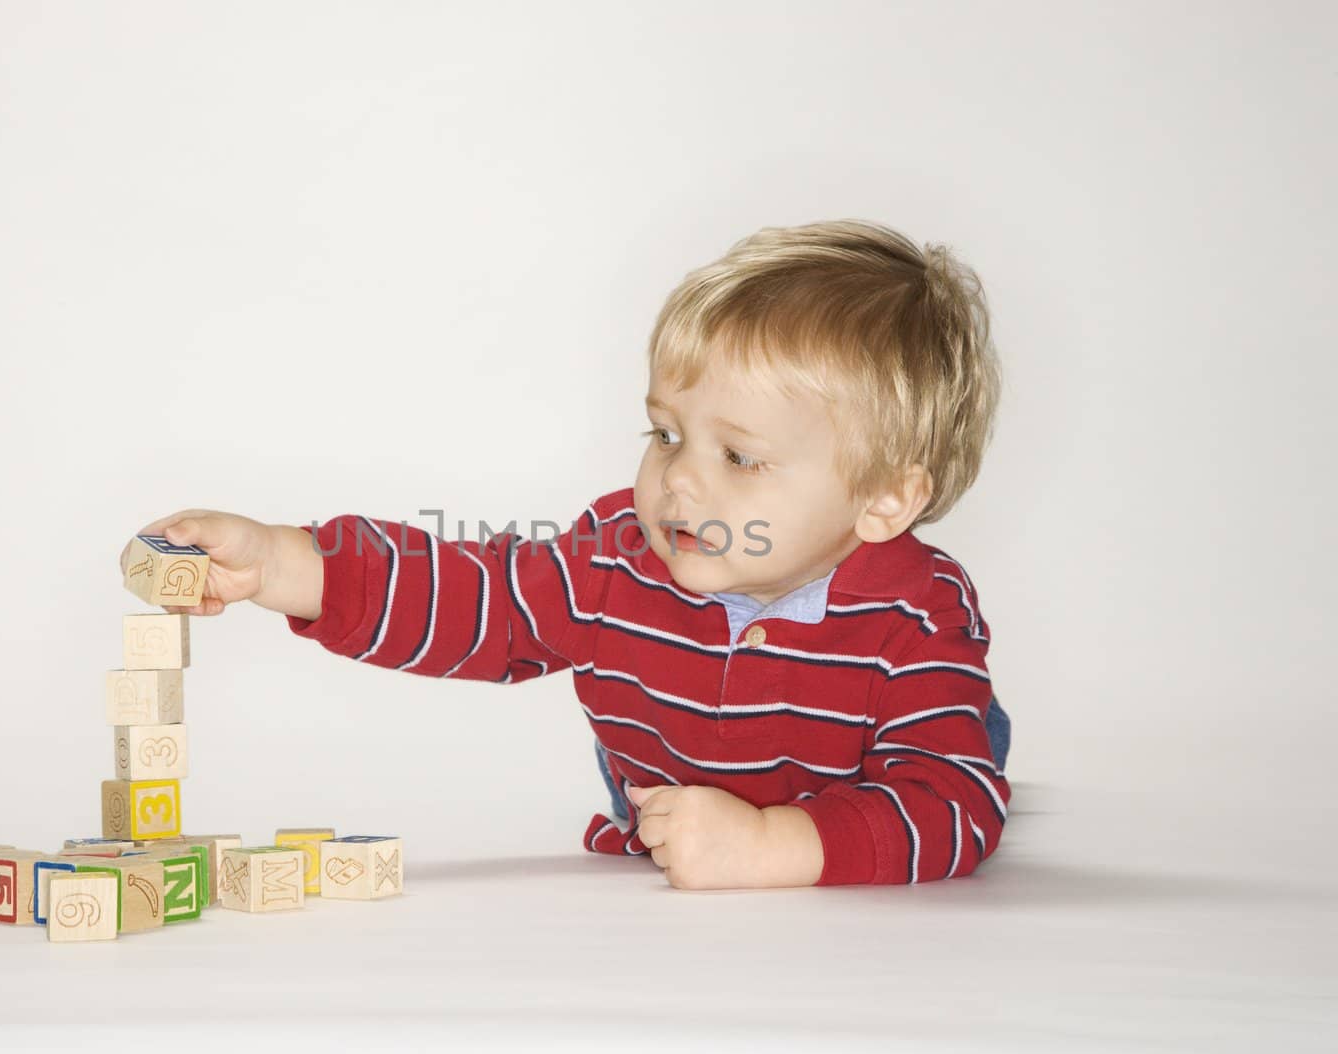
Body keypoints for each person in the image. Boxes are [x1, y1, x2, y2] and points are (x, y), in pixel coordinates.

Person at [124, 219, 1011, 890]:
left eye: (738, 457)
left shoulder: (915, 613)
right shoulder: (620, 554)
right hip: (675, 769)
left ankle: (960, 728)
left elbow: (954, 807)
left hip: (848, 783)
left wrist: (774, 845)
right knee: (530, 594)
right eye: (665, 434)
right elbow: (482, 597)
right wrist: (284, 565)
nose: (680, 485)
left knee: (959, 747)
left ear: (886, 498)